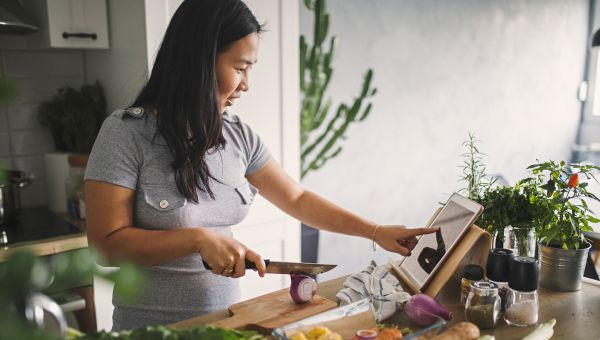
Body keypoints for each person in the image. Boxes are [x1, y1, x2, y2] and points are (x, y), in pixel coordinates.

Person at [84, 0, 438, 330]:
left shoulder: (239, 137)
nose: (246, 85)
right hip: (152, 331)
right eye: (240, 68)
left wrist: (375, 232)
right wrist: (195, 238)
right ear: (198, 61)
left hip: (226, 325)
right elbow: (106, 246)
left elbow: (297, 199)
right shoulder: (126, 133)